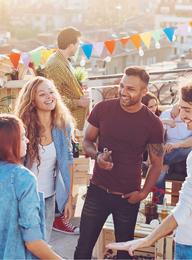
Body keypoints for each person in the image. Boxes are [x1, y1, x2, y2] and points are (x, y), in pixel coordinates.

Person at [107, 73, 192, 259]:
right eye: (180, 108)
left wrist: (147, 240)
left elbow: (185, 208)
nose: (181, 115)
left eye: (187, 110)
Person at [74, 66, 165, 259]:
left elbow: (157, 164)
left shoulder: (153, 123)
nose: (123, 92)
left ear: (144, 92)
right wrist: (97, 155)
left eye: (130, 89)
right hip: (97, 191)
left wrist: (142, 193)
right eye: (121, 86)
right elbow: (87, 141)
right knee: (83, 248)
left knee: (124, 253)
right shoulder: (102, 108)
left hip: (127, 197)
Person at [0, 114, 62, 260]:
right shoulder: (23, 178)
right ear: (7, 144)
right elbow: (33, 242)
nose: (27, 140)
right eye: (22, 137)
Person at [14, 77, 78, 238]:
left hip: (49, 197)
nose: (49, 97)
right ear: (32, 101)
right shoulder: (20, 129)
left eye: (51, 92)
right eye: (42, 94)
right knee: (26, 247)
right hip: (25, 198)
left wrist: (68, 199)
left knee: (44, 242)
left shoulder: (62, 125)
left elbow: (69, 160)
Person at [44, 26, 90, 132]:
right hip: (62, 123)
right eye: (77, 44)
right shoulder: (56, 64)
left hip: (67, 120)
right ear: (71, 45)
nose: (78, 47)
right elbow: (53, 98)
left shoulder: (62, 61)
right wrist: (79, 103)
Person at [154, 106, 192, 204]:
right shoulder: (168, 114)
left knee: (187, 149)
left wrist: (177, 145)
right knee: (161, 169)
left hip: (185, 158)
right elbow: (159, 139)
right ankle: (157, 206)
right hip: (169, 154)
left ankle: (156, 160)